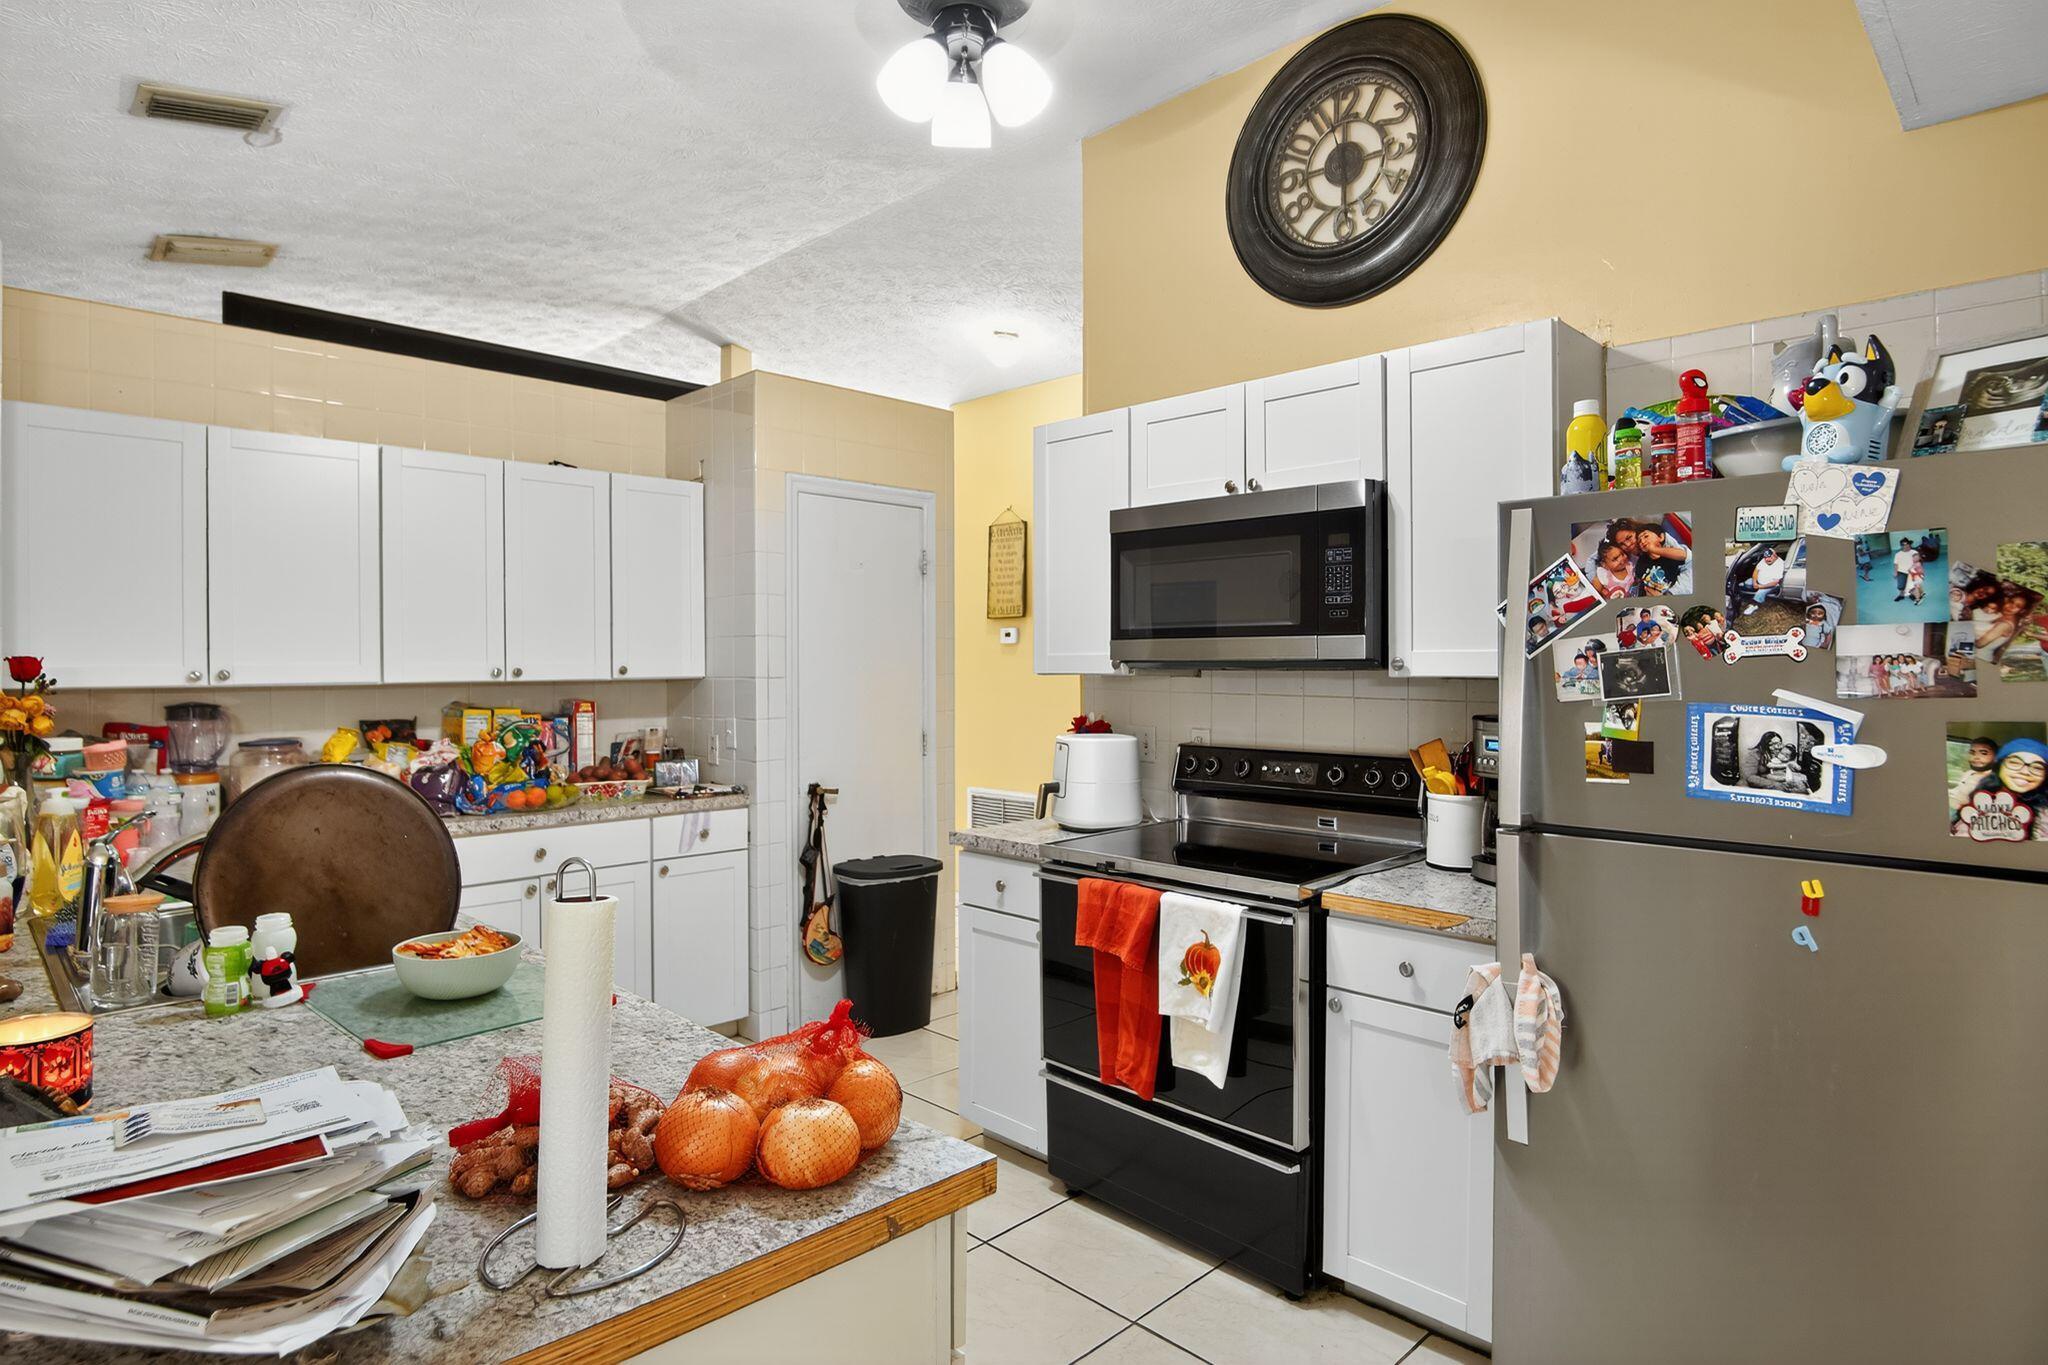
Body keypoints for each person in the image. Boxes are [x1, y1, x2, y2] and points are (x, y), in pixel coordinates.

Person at [1740, 731, 1808, 792]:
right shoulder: (1754, 754)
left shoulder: (1777, 753)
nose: (1777, 747)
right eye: (1774, 744)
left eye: (1779, 743)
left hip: (1770, 782)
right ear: (1766, 744)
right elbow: (1750, 777)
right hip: (1752, 788)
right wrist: (1774, 784)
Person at [1635, 525, 1693, 595]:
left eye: (1646, 536)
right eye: (1639, 541)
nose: (1642, 541)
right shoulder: (1641, 562)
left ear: (1661, 537)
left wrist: (1654, 549)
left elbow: (1685, 556)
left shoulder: (1671, 555)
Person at [1951, 736, 2001, 816]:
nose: (1976, 757)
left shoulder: (1992, 780)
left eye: (1984, 753)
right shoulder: (1968, 773)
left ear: (1995, 757)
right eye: (1972, 753)